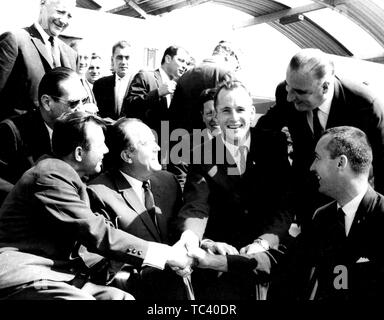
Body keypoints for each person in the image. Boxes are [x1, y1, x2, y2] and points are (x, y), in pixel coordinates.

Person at [0, 111, 192, 300]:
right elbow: (95, 231)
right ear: (78, 153)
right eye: (100, 145)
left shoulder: (67, 178)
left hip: (60, 276)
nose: (107, 151)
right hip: (27, 274)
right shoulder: (50, 175)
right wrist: (163, 254)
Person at [176, 79, 292, 299]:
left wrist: (265, 241)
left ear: (251, 112)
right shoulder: (202, 153)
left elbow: (284, 203)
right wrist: (192, 238)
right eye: (226, 110)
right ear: (216, 115)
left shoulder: (273, 144)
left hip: (270, 255)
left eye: (240, 109)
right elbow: (196, 206)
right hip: (222, 260)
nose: (234, 118)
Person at [256, 48, 384, 229]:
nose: (290, 97)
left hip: (349, 206)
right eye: (288, 87)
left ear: (325, 86)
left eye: (299, 92)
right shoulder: (286, 95)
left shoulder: (365, 106)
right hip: (307, 203)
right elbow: (265, 129)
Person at [271, 126, 384, 301]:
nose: (311, 167)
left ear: (341, 163)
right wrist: (225, 261)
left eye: (317, 158)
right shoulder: (322, 217)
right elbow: (291, 262)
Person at [87, 118, 190, 300]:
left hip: (179, 290)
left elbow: (181, 230)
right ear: (127, 155)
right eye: (146, 143)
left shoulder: (168, 181)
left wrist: (203, 245)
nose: (157, 148)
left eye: (155, 140)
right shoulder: (98, 193)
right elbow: (101, 261)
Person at [0, 67, 90, 204]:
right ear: (47, 102)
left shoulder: (80, 127)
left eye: (84, 101)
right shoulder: (12, 130)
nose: (81, 110)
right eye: (73, 103)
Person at [0, 0, 77, 120]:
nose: (64, 20)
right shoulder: (14, 40)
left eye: (69, 16)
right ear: (42, 4)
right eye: (60, 12)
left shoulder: (71, 54)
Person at [168, 40, 239, 133]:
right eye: (237, 66)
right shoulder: (226, 73)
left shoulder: (185, 75)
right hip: (214, 139)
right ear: (229, 56)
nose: (236, 69)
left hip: (184, 138)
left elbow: (173, 114)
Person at [124, 45, 189, 137]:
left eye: (187, 63)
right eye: (181, 61)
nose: (184, 66)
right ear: (168, 59)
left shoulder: (179, 86)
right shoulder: (145, 77)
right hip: (145, 141)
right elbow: (129, 107)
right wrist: (157, 93)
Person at [93, 40, 134, 120]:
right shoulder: (100, 84)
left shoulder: (140, 84)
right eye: (119, 57)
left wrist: (165, 132)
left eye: (127, 58)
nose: (123, 62)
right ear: (112, 60)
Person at [70, 40, 96, 104]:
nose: (81, 62)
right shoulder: (66, 83)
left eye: (86, 57)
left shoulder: (87, 84)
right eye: (78, 57)